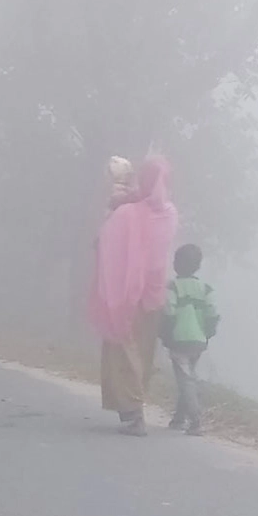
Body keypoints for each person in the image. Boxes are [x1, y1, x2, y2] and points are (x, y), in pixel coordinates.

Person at [90, 156, 180, 436]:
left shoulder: (128, 213)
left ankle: (133, 413)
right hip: (153, 296)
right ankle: (134, 410)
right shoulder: (170, 213)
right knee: (142, 352)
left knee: (123, 349)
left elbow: (104, 241)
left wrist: (117, 202)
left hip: (126, 295)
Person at [160, 244, 220, 436]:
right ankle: (178, 418)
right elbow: (212, 314)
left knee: (186, 381)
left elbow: (168, 312)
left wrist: (165, 335)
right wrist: (207, 334)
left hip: (179, 339)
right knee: (187, 378)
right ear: (198, 266)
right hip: (198, 341)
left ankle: (196, 421)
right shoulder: (206, 289)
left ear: (176, 264)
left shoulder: (173, 287)